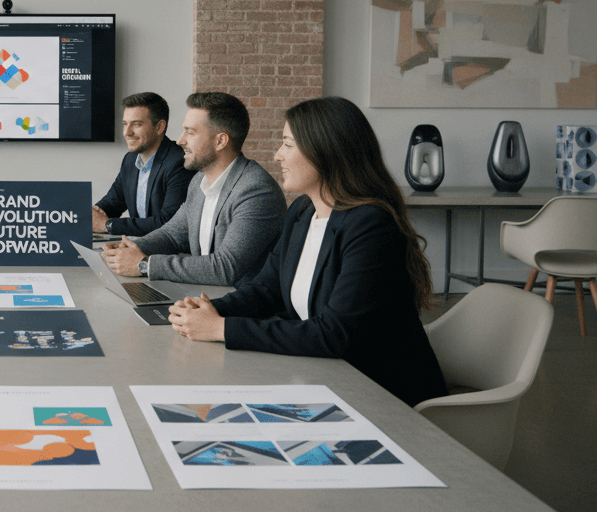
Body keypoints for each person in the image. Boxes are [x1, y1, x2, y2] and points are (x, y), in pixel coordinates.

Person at [167, 96, 447, 407]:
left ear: (324, 151)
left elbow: (334, 333)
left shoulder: (371, 226)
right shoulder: (302, 211)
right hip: (322, 378)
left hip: (379, 395)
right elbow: (266, 289)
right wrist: (212, 309)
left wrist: (221, 328)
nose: (277, 155)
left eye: (287, 145)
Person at [103, 92, 286, 285]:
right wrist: (128, 249)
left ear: (220, 141)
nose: (180, 140)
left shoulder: (256, 192)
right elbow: (172, 235)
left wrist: (145, 264)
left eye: (190, 132)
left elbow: (224, 268)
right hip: (204, 296)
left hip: (241, 307)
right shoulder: (199, 181)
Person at [91, 92, 195, 237]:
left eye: (137, 124)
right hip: (139, 247)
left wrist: (107, 225)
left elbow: (167, 223)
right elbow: (112, 202)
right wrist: (90, 214)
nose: (127, 132)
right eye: (125, 124)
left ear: (159, 127)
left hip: (169, 254)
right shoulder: (130, 160)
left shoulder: (179, 162)